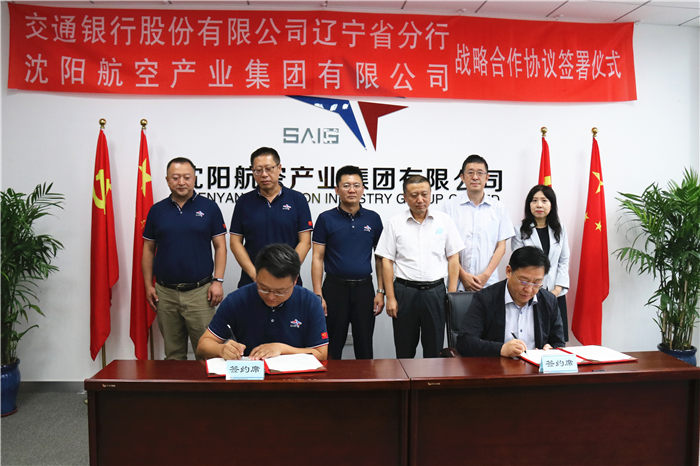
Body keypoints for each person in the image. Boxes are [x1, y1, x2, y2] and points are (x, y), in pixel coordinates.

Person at [142, 157, 227, 360]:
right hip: (165, 293)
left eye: (187, 177)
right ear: (167, 180)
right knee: (173, 355)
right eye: (175, 177)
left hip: (200, 293)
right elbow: (148, 249)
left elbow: (220, 247)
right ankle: (176, 383)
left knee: (207, 353)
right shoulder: (157, 210)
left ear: (195, 178)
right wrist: (148, 285)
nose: (181, 182)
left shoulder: (209, 207)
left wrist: (218, 281)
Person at [375, 175, 463, 358]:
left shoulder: (444, 221)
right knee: (404, 350)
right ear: (405, 197)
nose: (420, 199)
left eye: (424, 194)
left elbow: (454, 258)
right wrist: (390, 297)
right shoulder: (394, 223)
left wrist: (451, 294)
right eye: (414, 195)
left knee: (434, 351)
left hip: (436, 292)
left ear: (431, 194)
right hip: (405, 292)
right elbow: (387, 261)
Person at [197, 243, 329, 360]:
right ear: (257, 275)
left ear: (295, 281)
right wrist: (221, 349)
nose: (271, 297)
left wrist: (281, 349)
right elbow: (203, 345)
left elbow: (321, 353)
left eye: (280, 291)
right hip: (250, 374)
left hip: (295, 377)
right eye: (264, 289)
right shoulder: (237, 300)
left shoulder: (310, 303)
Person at [311, 165, 384, 359]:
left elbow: (380, 259)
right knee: (332, 347)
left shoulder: (373, 219)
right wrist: (318, 294)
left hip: (364, 290)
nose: (352, 190)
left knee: (364, 347)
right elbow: (317, 258)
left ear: (363, 189)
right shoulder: (325, 219)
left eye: (356, 185)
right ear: (337, 189)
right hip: (334, 289)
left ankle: (366, 380)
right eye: (346, 185)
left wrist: (380, 291)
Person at [457, 246, 565, 357]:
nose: (529, 289)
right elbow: (465, 342)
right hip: (496, 366)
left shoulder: (549, 301)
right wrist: (501, 349)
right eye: (524, 281)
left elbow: (558, 342)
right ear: (508, 271)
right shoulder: (485, 299)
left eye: (536, 283)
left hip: (535, 367)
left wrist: (551, 349)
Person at [229, 147, 313, 288]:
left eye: (269, 169)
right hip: (252, 281)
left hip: (288, 281)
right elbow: (235, 242)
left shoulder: (297, 199)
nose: (264, 174)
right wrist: (255, 275)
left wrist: (288, 272)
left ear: (279, 168)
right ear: (252, 171)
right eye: (258, 170)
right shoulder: (244, 201)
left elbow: (305, 242)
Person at [438, 154, 514, 292]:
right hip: (457, 283)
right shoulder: (449, 207)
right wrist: (463, 276)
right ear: (462, 177)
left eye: (480, 173)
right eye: (470, 173)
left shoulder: (499, 208)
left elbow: (501, 247)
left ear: (487, 177)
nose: (475, 177)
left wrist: (485, 276)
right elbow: (445, 245)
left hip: (489, 283)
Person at [512, 185, 571, 340]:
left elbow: (564, 260)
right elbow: (519, 264)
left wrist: (557, 290)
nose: (539, 205)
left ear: (551, 204)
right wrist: (534, 289)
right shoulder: (519, 231)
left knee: (556, 340)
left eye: (544, 201)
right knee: (534, 338)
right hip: (530, 293)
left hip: (556, 294)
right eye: (534, 200)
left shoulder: (560, 229)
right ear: (529, 205)